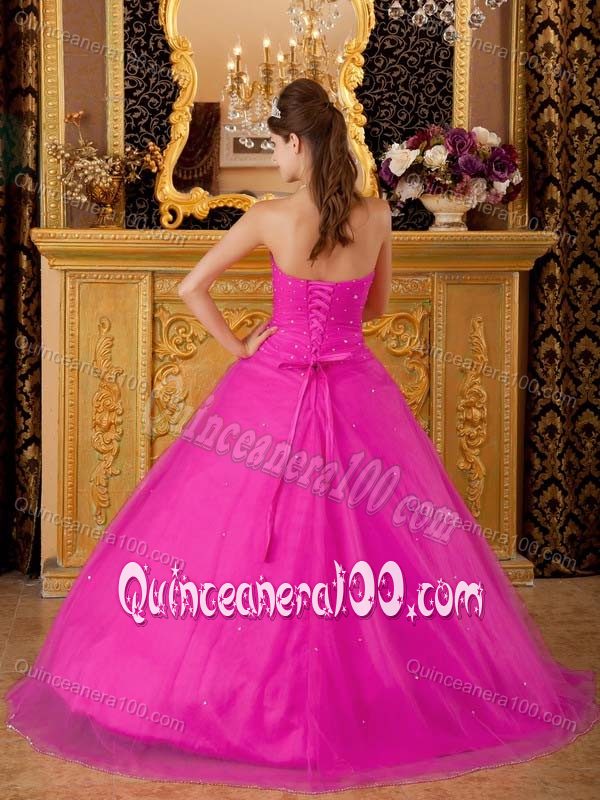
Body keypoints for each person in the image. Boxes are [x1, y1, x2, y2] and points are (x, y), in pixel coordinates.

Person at [5, 78, 599, 793]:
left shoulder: (269, 217)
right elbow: (375, 308)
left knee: (240, 547)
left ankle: (233, 695)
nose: (275, 158)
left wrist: (240, 346)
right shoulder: (376, 214)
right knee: (383, 549)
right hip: (357, 391)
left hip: (270, 389)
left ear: (295, 143)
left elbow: (193, 288)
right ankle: (377, 693)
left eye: (277, 146)